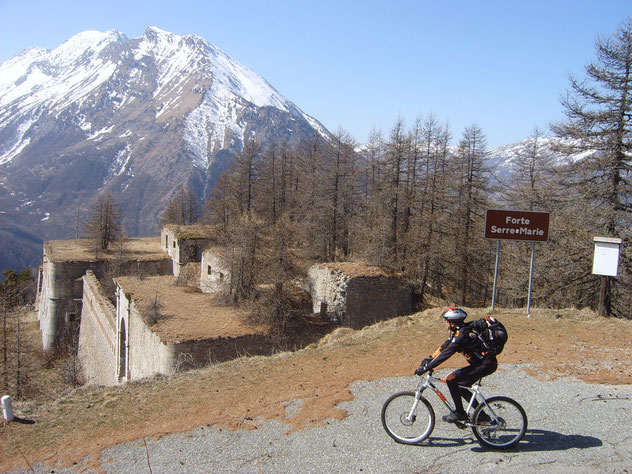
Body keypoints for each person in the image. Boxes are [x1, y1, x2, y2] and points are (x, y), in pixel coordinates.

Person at [414, 307, 497, 423]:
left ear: (453, 322)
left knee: (451, 379)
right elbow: (445, 346)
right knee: (461, 386)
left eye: (446, 320)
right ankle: (482, 416)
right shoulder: (459, 332)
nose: (444, 322)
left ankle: (460, 413)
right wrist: (430, 358)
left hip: (486, 364)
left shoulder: (463, 335)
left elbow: (447, 353)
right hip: (482, 363)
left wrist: (427, 368)